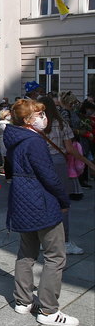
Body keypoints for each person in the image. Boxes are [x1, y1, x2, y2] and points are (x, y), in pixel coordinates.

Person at [4, 99, 78, 326]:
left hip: (23, 200)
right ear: (27, 120)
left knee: (26, 252)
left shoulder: (15, 137)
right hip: (40, 200)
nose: (43, 118)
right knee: (55, 256)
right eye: (39, 114)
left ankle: (23, 301)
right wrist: (64, 199)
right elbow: (49, 176)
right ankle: (48, 310)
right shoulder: (33, 140)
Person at [37, 96, 92, 254]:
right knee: (62, 203)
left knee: (44, 201)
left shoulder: (35, 126)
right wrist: (88, 163)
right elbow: (70, 149)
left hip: (40, 163)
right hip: (58, 164)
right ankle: (65, 241)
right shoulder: (61, 124)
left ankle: (44, 240)